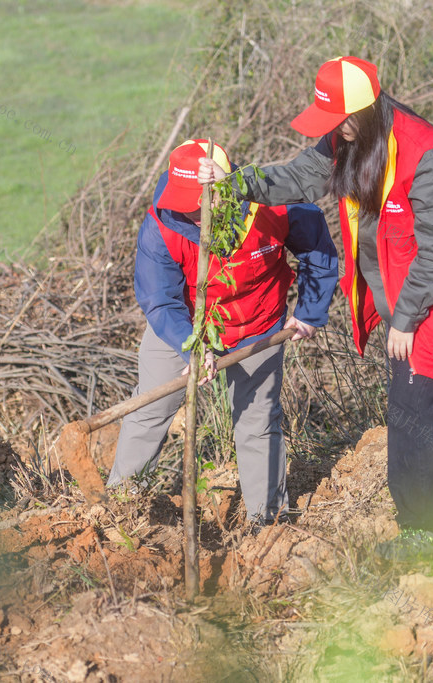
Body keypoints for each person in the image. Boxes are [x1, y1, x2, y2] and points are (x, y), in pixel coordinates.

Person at [198, 56, 433, 557]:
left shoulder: (427, 156)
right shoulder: (351, 137)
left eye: (337, 120)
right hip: (409, 296)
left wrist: (405, 318)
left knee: (412, 405)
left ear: (364, 111)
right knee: (416, 404)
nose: (331, 132)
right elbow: (299, 177)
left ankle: (423, 535)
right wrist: (236, 183)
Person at [107, 139, 338, 526]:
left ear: (224, 189)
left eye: (200, 203)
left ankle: (267, 521)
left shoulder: (273, 202)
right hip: (183, 325)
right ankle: (118, 508)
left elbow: (318, 250)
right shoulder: (162, 223)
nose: (193, 215)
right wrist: (192, 347)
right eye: (186, 205)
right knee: (149, 409)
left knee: (257, 421)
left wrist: (311, 310)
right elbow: (159, 299)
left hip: (258, 325)